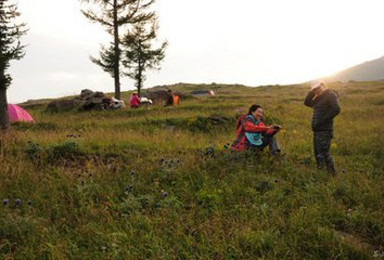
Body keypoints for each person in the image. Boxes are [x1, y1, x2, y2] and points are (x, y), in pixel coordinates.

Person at [304, 82, 340, 176]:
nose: (317, 90)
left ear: (323, 86)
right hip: (317, 129)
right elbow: (307, 103)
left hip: (324, 129)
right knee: (317, 153)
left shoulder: (330, 94)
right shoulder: (318, 98)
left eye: (318, 87)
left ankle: (332, 175)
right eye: (315, 89)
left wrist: (323, 120)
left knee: (324, 153)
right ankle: (321, 173)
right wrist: (312, 92)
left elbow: (336, 109)